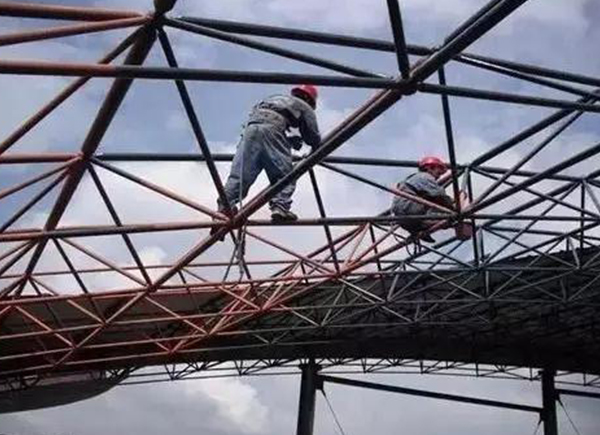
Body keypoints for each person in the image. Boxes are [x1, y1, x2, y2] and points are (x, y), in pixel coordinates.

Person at [216, 85, 321, 226]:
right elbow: (312, 136)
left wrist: (289, 140)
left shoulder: (273, 98)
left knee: (239, 175)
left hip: (250, 131)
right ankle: (280, 207)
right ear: (308, 98)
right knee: (285, 175)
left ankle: (224, 208)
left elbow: (264, 125)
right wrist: (316, 147)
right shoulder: (303, 105)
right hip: (272, 130)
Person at [391, 156, 456, 243]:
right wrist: (455, 207)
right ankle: (450, 221)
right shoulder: (424, 177)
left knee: (432, 206)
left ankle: (419, 230)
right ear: (429, 168)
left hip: (402, 220)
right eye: (438, 173)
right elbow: (440, 195)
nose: (438, 177)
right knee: (445, 213)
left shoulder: (409, 180)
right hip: (410, 209)